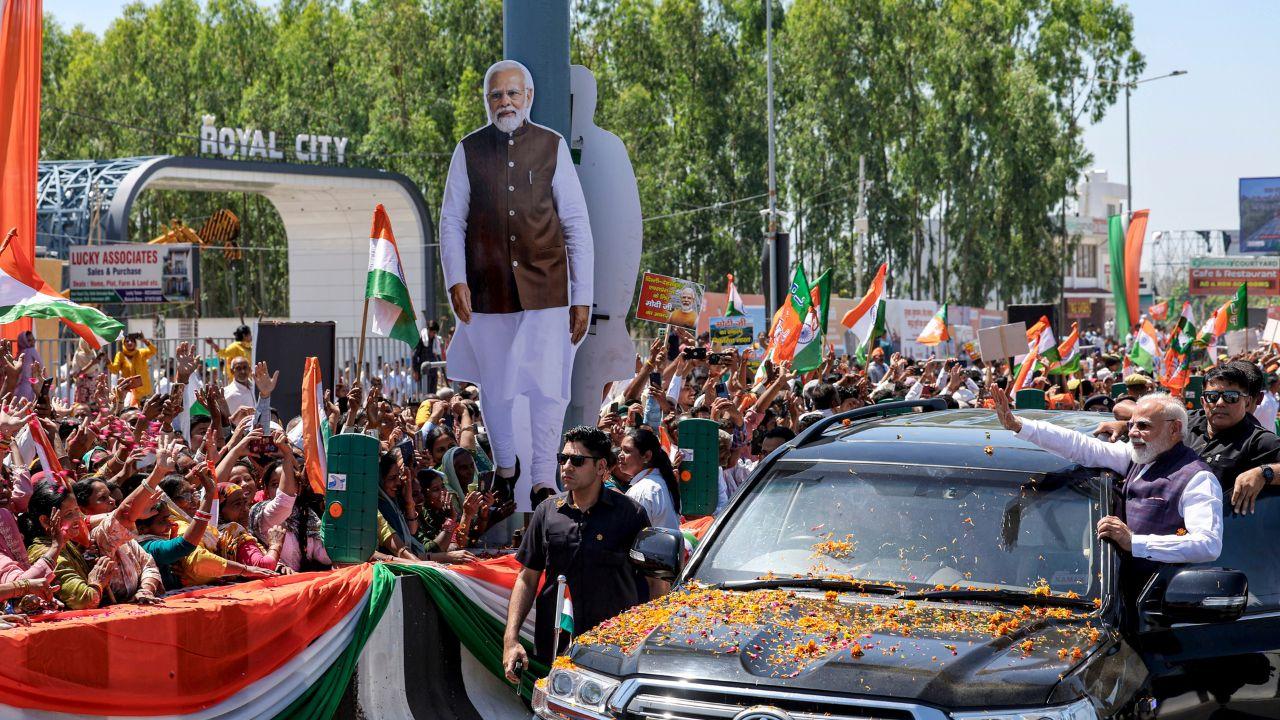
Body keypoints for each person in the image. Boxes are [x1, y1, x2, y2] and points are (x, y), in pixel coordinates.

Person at [439, 59, 594, 507]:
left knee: (549, 388)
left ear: (528, 97)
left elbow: (576, 224)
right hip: (487, 291)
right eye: (496, 95)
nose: (505, 102)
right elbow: (451, 221)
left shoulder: (551, 145)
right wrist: (456, 280)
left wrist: (582, 296)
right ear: (486, 101)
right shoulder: (468, 150)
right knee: (496, 387)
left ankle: (544, 476)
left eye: (512, 93)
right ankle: (506, 466)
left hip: (548, 288)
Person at [990, 384, 1221, 600]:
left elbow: (1208, 545)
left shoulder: (1197, 479)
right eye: (1131, 425)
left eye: (1143, 426)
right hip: (1113, 597)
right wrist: (1018, 425)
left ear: (1174, 428)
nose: (1133, 433)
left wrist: (1134, 542)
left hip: (1158, 604)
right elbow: (1080, 446)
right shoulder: (1137, 457)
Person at [502, 427, 654, 676]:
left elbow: (653, 582)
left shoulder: (631, 514)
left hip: (614, 648)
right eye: (563, 459)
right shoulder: (547, 512)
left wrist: (650, 640)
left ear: (601, 466)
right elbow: (527, 578)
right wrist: (511, 640)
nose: (567, 467)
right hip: (555, 645)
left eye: (577, 460)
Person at [616, 427, 680, 531]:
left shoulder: (643, 490)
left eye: (627, 451)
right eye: (621, 450)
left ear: (646, 456)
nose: (620, 455)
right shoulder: (662, 482)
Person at [109, 333, 157, 404]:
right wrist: (108, 362)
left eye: (132, 341)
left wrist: (144, 340)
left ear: (135, 343)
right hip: (129, 392)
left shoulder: (141, 353)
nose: (130, 343)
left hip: (144, 392)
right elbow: (115, 370)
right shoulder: (120, 355)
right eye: (127, 341)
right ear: (123, 343)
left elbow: (154, 351)